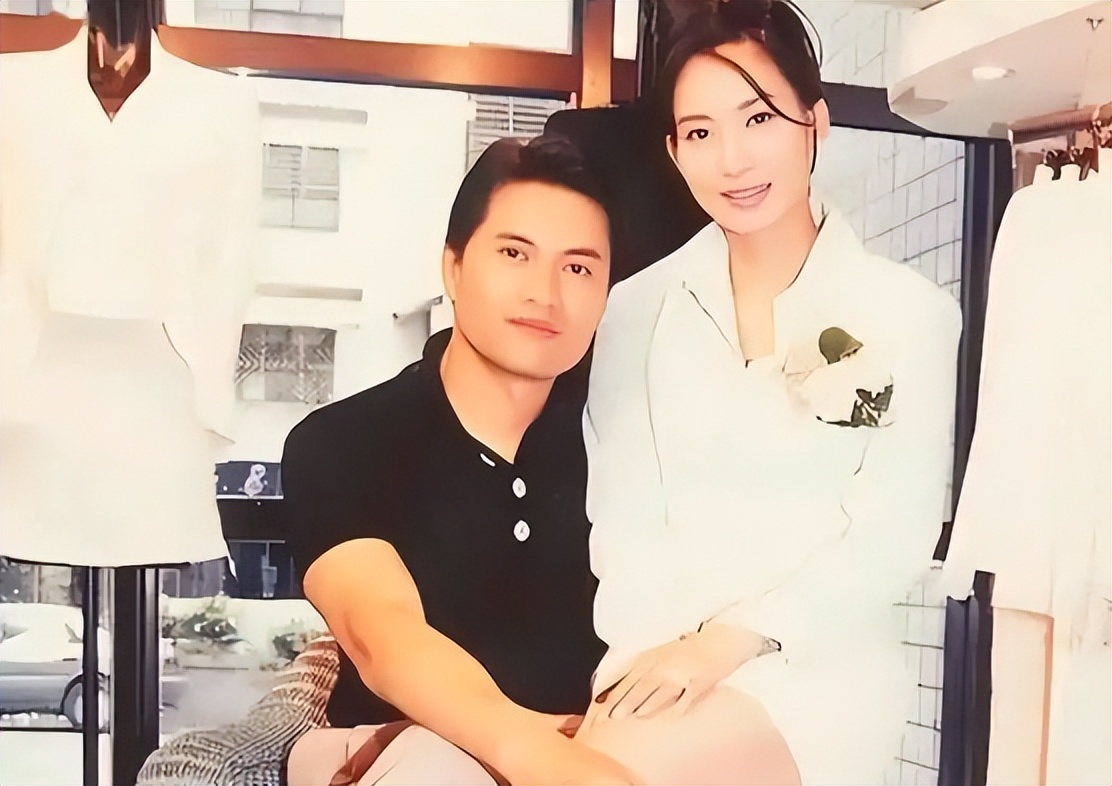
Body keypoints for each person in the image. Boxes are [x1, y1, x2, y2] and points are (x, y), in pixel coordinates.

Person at [581, 0, 963, 783]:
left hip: (822, 666)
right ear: (674, 151)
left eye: (758, 119)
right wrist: (645, 669)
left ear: (815, 122)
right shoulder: (634, 309)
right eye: (700, 133)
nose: (732, 160)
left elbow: (893, 537)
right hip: (659, 661)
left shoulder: (910, 314)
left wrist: (730, 642)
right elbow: (621, 519)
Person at [280, 135, 639, 785]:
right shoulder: (342, 441)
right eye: (514, 254)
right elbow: (381, 634)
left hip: (600, 747)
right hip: (407, 757)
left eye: (578, 268)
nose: (545, 293)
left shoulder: (631, 436)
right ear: (453, 268)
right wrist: (548, 761)